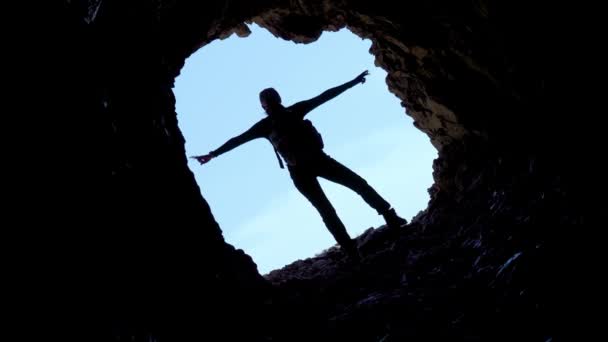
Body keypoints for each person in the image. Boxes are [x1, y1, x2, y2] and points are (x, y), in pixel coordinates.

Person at [192, 70, 406, 261]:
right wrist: (213, 154)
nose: (271, 102)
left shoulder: (273, 121)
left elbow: (325, 96)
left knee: (335, 202)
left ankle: (360, 242)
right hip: (311, 166)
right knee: (348, 192)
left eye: (270, 99)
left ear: (264, 104)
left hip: (308, 167)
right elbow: (325, 96)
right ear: (273, 101)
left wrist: (212, 155)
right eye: (270, 99)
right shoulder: (287, 115)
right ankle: (381, 224)